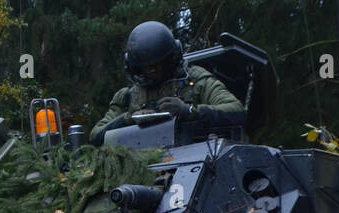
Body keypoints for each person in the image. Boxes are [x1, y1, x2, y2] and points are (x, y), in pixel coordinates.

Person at [90, 21, 245, 146]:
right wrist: (128, 118)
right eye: (148, 67)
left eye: (159, 64)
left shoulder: (197, 81)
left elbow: (236, 111)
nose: (153, 71)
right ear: (136, 67)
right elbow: (96, 135)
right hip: (144, 166)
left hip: (194, 161)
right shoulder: (128, 97)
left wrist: (188, 111)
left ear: (171, 59)